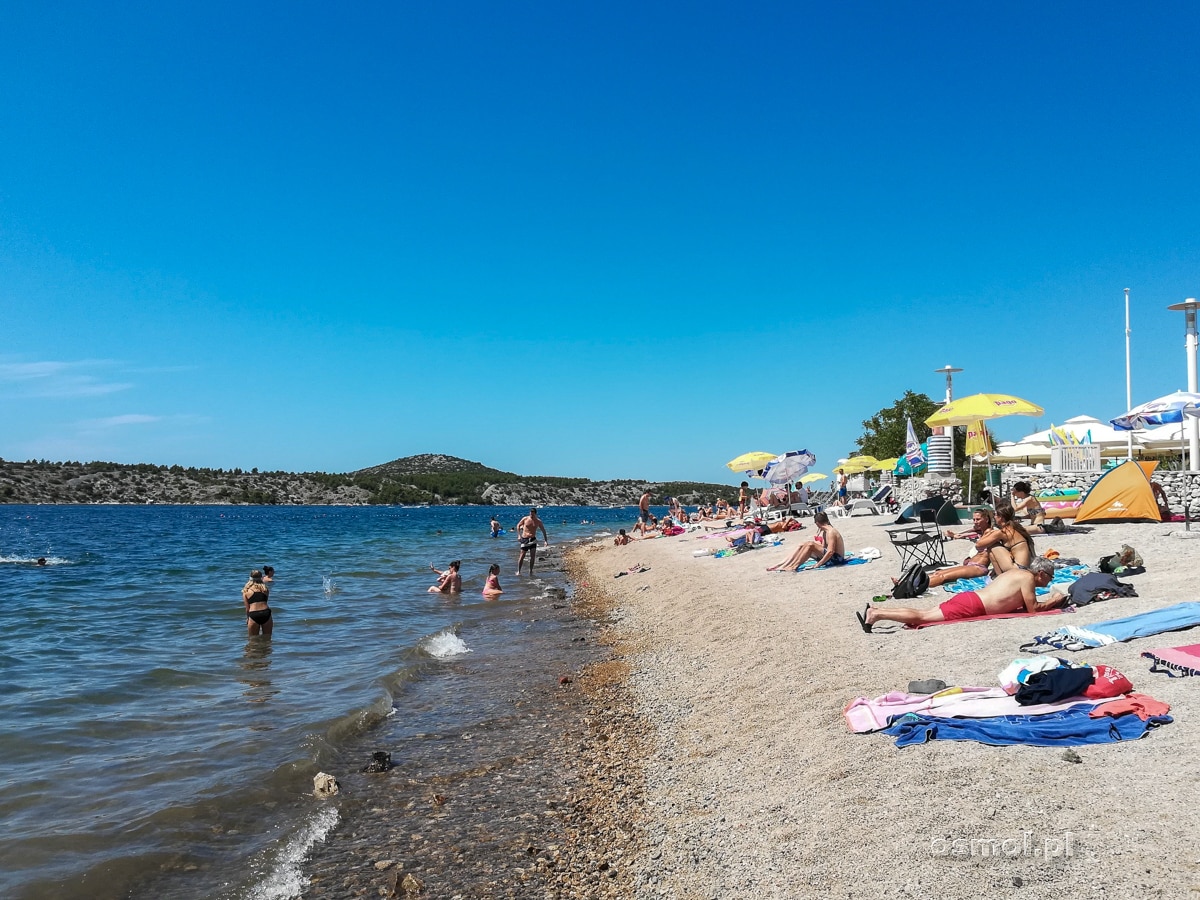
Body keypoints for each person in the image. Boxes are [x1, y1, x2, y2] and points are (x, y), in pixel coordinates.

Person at [858, 557, 1066, 631]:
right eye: (1050, 576)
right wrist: (1054, 601)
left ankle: (878, 610)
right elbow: (1033, 609)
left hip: (969, 598)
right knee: (922, 616)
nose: (1050, 580)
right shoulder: (1028, 578)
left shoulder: (1016, 572)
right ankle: (877, 615)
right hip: (972, 605)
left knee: (924, 612)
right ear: (1041, 573)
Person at [895, 509, 997, 589]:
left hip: (979, 568)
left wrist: (995, 572)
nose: (975, 522)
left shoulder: (992, 534)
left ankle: (911, 586)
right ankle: (905, 581)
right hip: (971, 564)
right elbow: (970, 531)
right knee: (938, 573)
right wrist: (957, 534)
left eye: (978, 519)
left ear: (986, 519)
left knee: (943, 577)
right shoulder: (981, 533)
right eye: (974, 519)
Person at [767, 511, 845, 571]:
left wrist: (818, 564)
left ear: (817, 523)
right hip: (832, 558)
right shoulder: (825, 531)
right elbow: (823, 548)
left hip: (837, 560)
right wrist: (810, 546)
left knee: (810, 544)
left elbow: (830, 551)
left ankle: (794, 566)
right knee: (803, 544)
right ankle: (782, 564)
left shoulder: (831, 532)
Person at [977, 502, 1034, 573]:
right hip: (1025, 567)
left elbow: (979, 545)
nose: (994, 517)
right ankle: (999, 576)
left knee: (992, 546)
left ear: (1001, 517)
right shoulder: (1015, 527)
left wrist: (988, 533)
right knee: (992, 552)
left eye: (995, 515)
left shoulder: (1003, 532)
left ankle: (1000, 578)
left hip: (1018, 568)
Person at [516, 508, 549, 575]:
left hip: (533, 539)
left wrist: (545, 540)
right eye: (530, 513)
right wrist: (519, 535)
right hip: (525, 539)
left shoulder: (538, 521)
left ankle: (530, 571)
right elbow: (518, 525)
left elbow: (543, 531)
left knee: (533, 556)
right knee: (522, 555)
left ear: (535, 513)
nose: (531, 514)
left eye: (533, 513)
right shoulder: (525, 519)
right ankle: (519, 571)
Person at [243, 569, 273, 637]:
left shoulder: (246, 591)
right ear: (261, 577)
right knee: (267, 639)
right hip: (266, 613)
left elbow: (247, 609)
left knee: (253, 641)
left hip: (254, 614)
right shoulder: (265, 589)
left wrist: (248, 618)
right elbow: (265, 602)